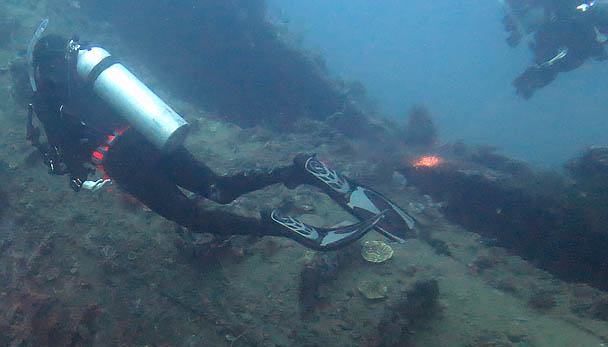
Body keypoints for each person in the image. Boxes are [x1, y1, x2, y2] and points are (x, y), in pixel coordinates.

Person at [25, 29, 416, 251]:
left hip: (121, 159)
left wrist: (71, 168)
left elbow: (66, 155)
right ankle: (298, 170)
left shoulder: (45, 95)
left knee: (195, 218)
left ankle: (279, 227)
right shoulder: (86, 71)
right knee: (219, 187)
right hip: (146, 136)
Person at [502, 0, 608, 98]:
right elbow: (551, 62)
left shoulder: (558, 1)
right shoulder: (546, 34)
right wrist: (535, 79)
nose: (526, 29)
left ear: (530, 7)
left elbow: (575, 52)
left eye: (523, 22)